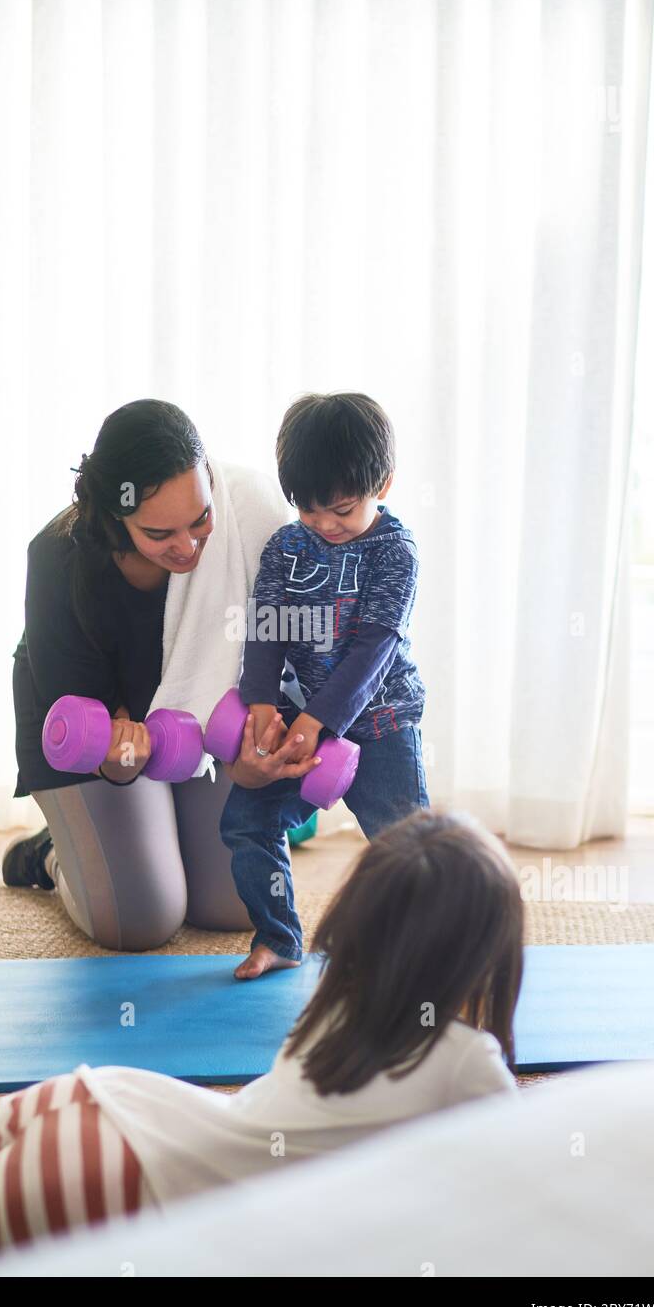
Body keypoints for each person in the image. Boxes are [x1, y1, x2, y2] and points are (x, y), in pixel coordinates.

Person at [0, 812, 523, 1264]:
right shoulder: (471, 1065)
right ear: (482, 956)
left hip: (108, 1100)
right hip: (120, 1179)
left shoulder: (334, 1010)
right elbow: (523, 1198)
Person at [2, 399, 320, 950]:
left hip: (198, 729)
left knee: (238, 903)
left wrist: (259, 748)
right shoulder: (58, 560)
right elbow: (91, 738)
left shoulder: (248, 521)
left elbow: (285, 654)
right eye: (160, 534)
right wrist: (120, 756)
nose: (190, 545)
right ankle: (55, 853)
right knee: (139, 921)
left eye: (200, 520)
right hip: (97, 734)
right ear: (114, 516)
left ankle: (157, 822)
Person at [219, 392, 429, 978]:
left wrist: (320, 720)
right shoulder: (288, 546)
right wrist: (261, 702)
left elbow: (375, 647)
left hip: (381, 725)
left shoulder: (396, 552)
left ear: (381, 485)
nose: (325, 525)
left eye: (341, 509)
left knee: (406, 851)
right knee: (245, 824)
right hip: (300, 721)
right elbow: (266, 631)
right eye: (310, 512)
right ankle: (280, 938)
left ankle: (424, 956)